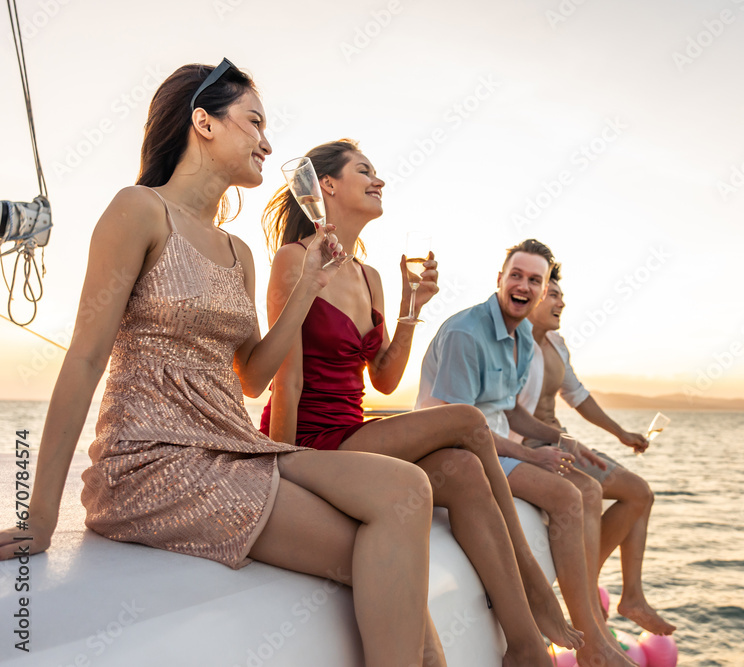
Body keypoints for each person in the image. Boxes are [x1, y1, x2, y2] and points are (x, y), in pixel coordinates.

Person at [0, 61, 443, 666]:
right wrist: (41, 516)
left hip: (231, 444)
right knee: (378, 556)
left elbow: (252, 376)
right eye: (254, 121)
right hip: (153, 458)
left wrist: (310, 284)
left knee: (407, 489)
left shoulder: (239, 253)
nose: (267, 141)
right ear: (202, 122)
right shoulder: (138, 210)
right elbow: (83, 360)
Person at [259, 140, 582, 666]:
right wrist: (278, 469)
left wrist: (411, 308)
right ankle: (532, 581)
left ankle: (525, 647)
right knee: (467, 421)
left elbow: (384, 380)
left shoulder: (371, 277)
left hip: (353, 426)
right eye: (365, 171)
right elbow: (286, 385)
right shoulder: (294, 262)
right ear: (327, 186)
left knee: (462, 470)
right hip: (311, 438)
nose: (379, 180)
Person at [416, 239, 637, 667]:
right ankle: (590, 644)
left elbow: (509, 411)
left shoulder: (524, 343)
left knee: (588, 488)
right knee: (566, 496)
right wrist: (535, 457)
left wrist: (560, 441)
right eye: (516, 275)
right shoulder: (467, 332)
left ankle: (593, 626)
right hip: (455, 450)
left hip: (496, 444)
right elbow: (459, 427)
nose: (523, 285)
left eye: (534, 280)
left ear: (540, 291)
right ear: (499, 279)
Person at [514, 271, 676, 636]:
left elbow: (579, 397)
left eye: (561, 295)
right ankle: (585, 599)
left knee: (639, 492)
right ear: (535, 295)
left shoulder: (556, 345)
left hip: (560, 441)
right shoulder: (511, 341)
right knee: (588, 490)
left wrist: (622, 433)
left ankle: (630, 596)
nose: (561, 303)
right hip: (527, 447)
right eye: (553, 294)